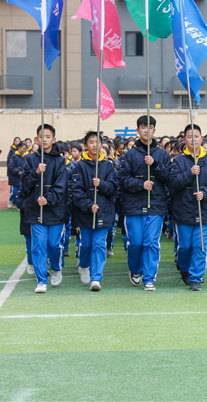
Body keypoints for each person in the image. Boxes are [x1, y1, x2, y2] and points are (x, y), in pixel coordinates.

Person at [119, 115, 172, 291]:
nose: (146, 130)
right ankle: (135, 270)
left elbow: (168, 178)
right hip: (133, 206)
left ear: (154, 130)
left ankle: (149, 278)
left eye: (150, 127)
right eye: (143, 127)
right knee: (136, 243)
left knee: (151, 242)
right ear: (137, 130)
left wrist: (155, 164)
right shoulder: (130, 155)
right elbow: (123, 179)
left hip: (156, 205)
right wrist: (141, 184)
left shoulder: (162, 154)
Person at [168, 124, 207, 291]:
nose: (193, 139)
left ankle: (196, 277)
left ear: (201, 138)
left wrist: (205, 194)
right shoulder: (177, 161)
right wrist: (190, 173)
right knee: (185, 246)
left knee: (199, 246)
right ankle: (184, 268)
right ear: (184, 139)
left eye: (196, 136)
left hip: (203, 210)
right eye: (190, 136)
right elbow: (173, 183)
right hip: (182, 210)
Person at [21, 124, 69, 293]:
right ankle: (41, 280)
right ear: (37, 139)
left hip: (55, 209)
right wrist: (36, 173)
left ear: (54, 139)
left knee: (54, 245)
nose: (45, 140)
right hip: (36, 210)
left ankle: (56, 268)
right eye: (42, 137)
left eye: (48, 136)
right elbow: (25, 185)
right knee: (38, 245)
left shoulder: (60, 160)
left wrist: (48, 199)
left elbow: (61, 186)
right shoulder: (30, 159)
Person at [70, 131, 117, 291]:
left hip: (104, 212)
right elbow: (76, 191)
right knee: (87, 244)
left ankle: (96, 277)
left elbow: (113, 188)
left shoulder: (108, 166)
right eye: (91, 142)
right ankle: (83, 265)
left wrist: (101, 184)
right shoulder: (79, 166)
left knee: (99, 245)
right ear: (85, 146)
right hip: (85, 213)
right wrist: (89, 205)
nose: (94, 145)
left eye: (97, 142)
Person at [7, 141, 27, 209]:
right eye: (22, 148)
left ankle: (17, 204)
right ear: (19, 148)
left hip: (23, 177)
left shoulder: (26, 157)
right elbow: (11, 166)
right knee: (15, 192)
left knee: (21, 192)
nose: (23, 150)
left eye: (25, 149)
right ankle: (10, 200)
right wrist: (18, 171)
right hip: (15, 177)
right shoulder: (14, 156)